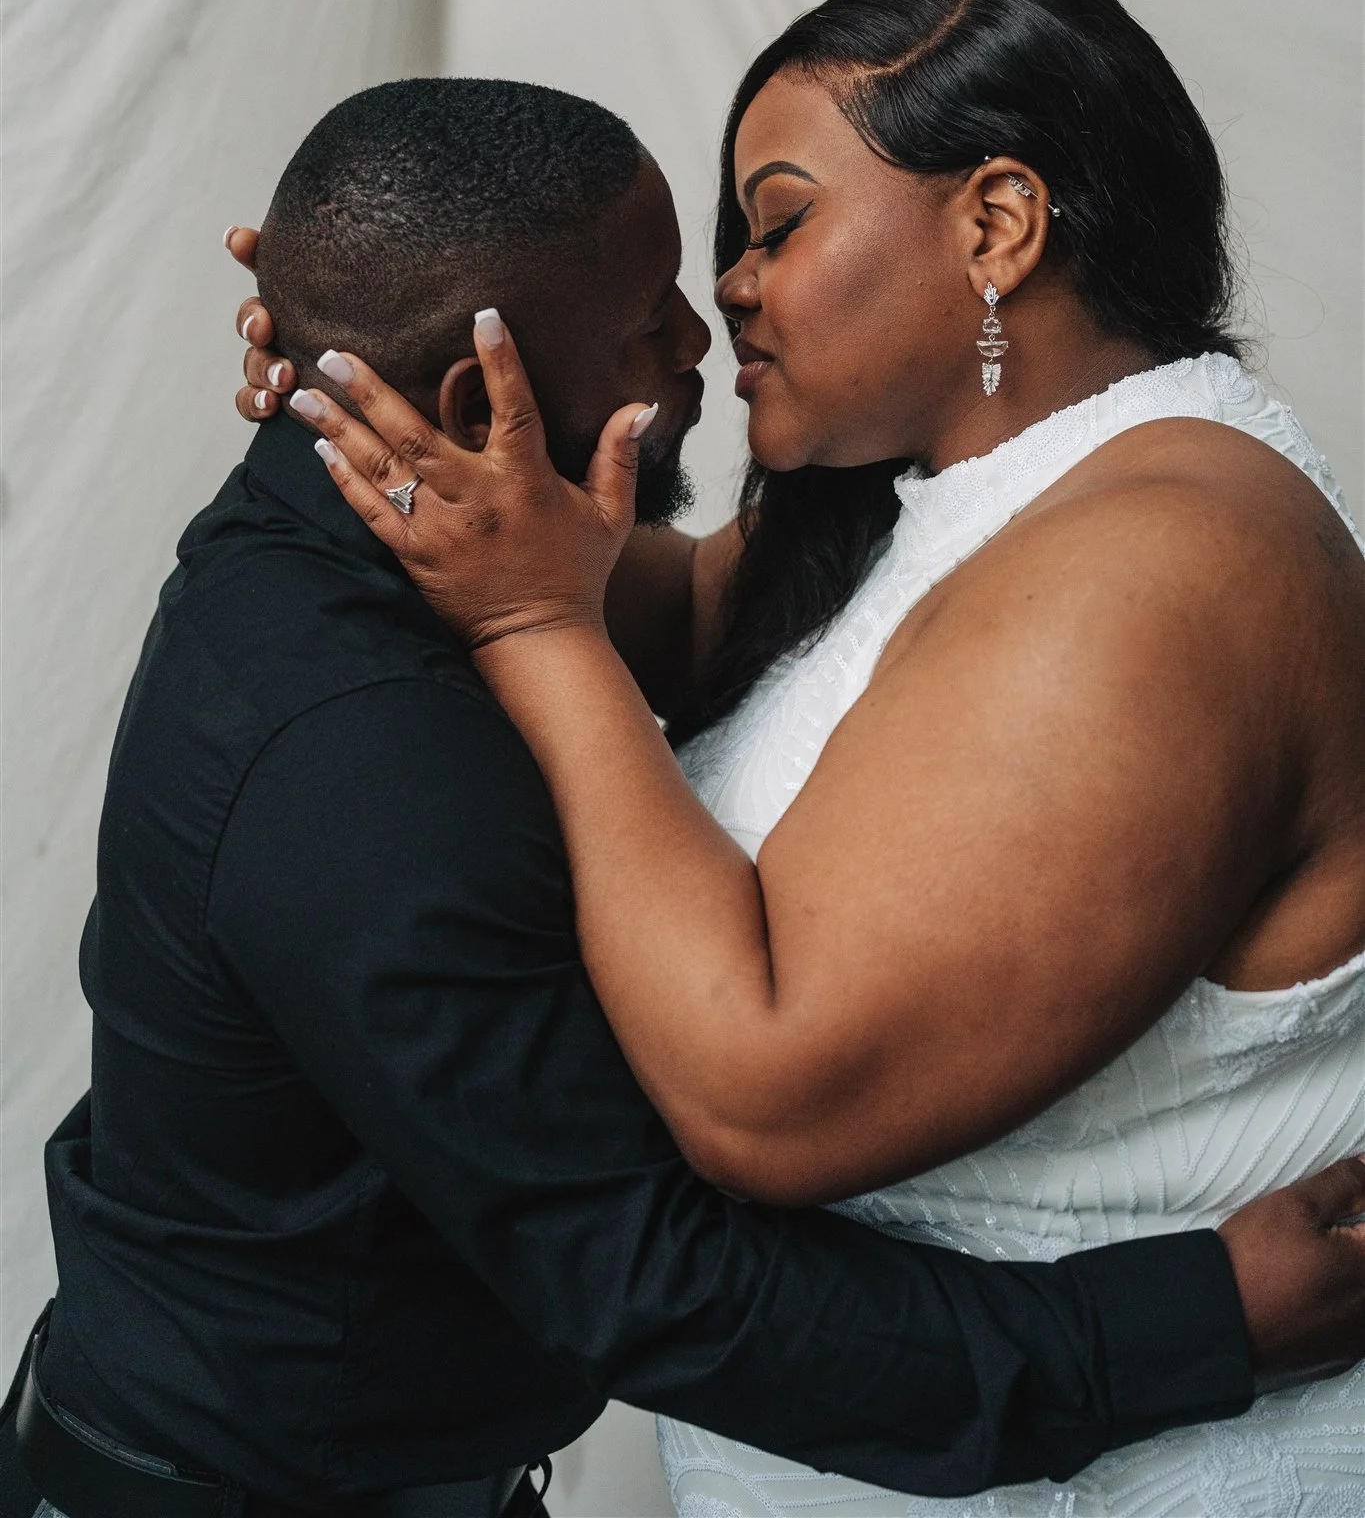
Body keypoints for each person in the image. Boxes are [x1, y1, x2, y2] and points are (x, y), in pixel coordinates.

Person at [14, 76, 1358, 1518]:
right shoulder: (360, 749)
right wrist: (1197, 1324)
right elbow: (658, 1284)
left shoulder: (386, 535)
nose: (697, 332)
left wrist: (340, 333)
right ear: (478, 400)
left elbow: (707, 603)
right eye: (651, 311)